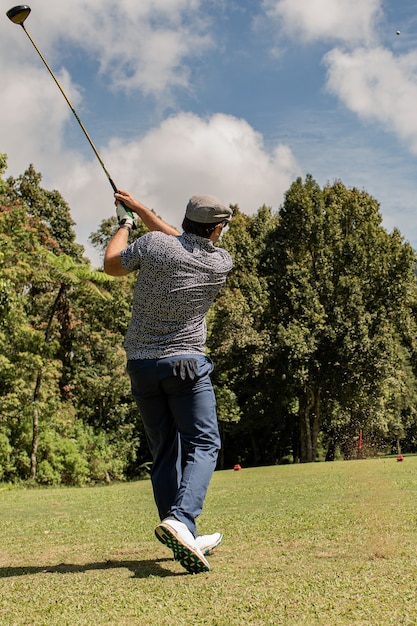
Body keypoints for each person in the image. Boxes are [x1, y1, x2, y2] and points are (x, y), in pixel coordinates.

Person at [104, 190, 233, 574]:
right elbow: (180, 240)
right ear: (216, 230)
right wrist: (141, 212)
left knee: (164, 452)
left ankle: (180, 530)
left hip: (142, 365)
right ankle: (182, 519)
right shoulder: (219, 262)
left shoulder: (157, 245)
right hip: (186, 366)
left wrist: (127, 221)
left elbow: (112, 264)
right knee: (205, 442)